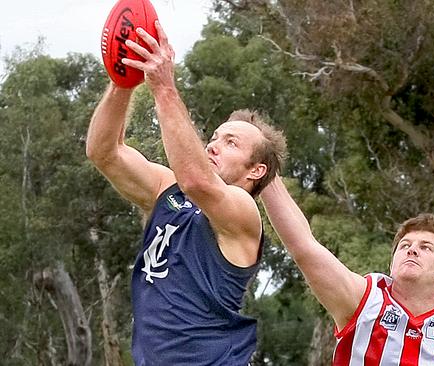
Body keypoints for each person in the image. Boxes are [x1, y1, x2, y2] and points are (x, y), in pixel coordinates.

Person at [86, 21, 286, 365]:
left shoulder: (242, 215)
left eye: (231, 142)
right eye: (216, 137)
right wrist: (124, 76)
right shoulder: (169, 190)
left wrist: (164, 87)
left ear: (256, 171)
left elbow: (197, 182)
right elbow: (103, 151)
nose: (214, 145)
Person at [260, 177, 434, 365]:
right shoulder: (364, 299)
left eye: (425, 247)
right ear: (391, 263)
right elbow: (305, 247)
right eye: (404, 246)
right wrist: (266, 167)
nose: (412, 250)